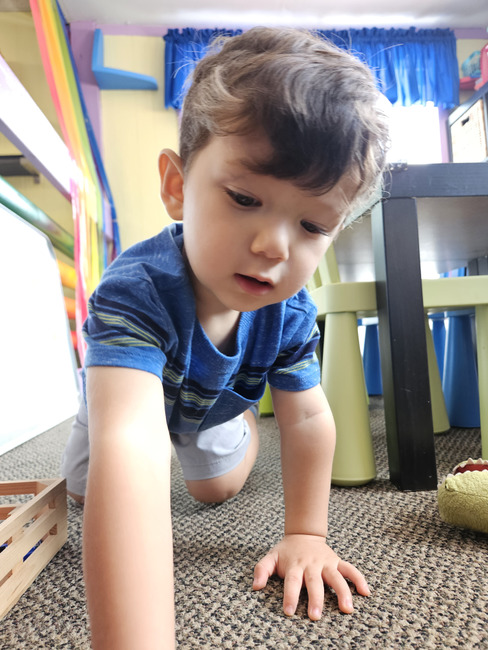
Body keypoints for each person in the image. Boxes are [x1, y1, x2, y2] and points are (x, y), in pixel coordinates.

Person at [62, 26, 389, 649]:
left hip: (211, 404)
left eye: (312, 224)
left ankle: (237, 427)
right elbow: (131, 443)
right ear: (177, 187)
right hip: (127, 398)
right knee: (87, 490)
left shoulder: (289, 310)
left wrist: (306, 534)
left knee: (215, 489)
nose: (273, 246)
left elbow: (307, 418)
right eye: (244, 198)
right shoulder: (135, 291)